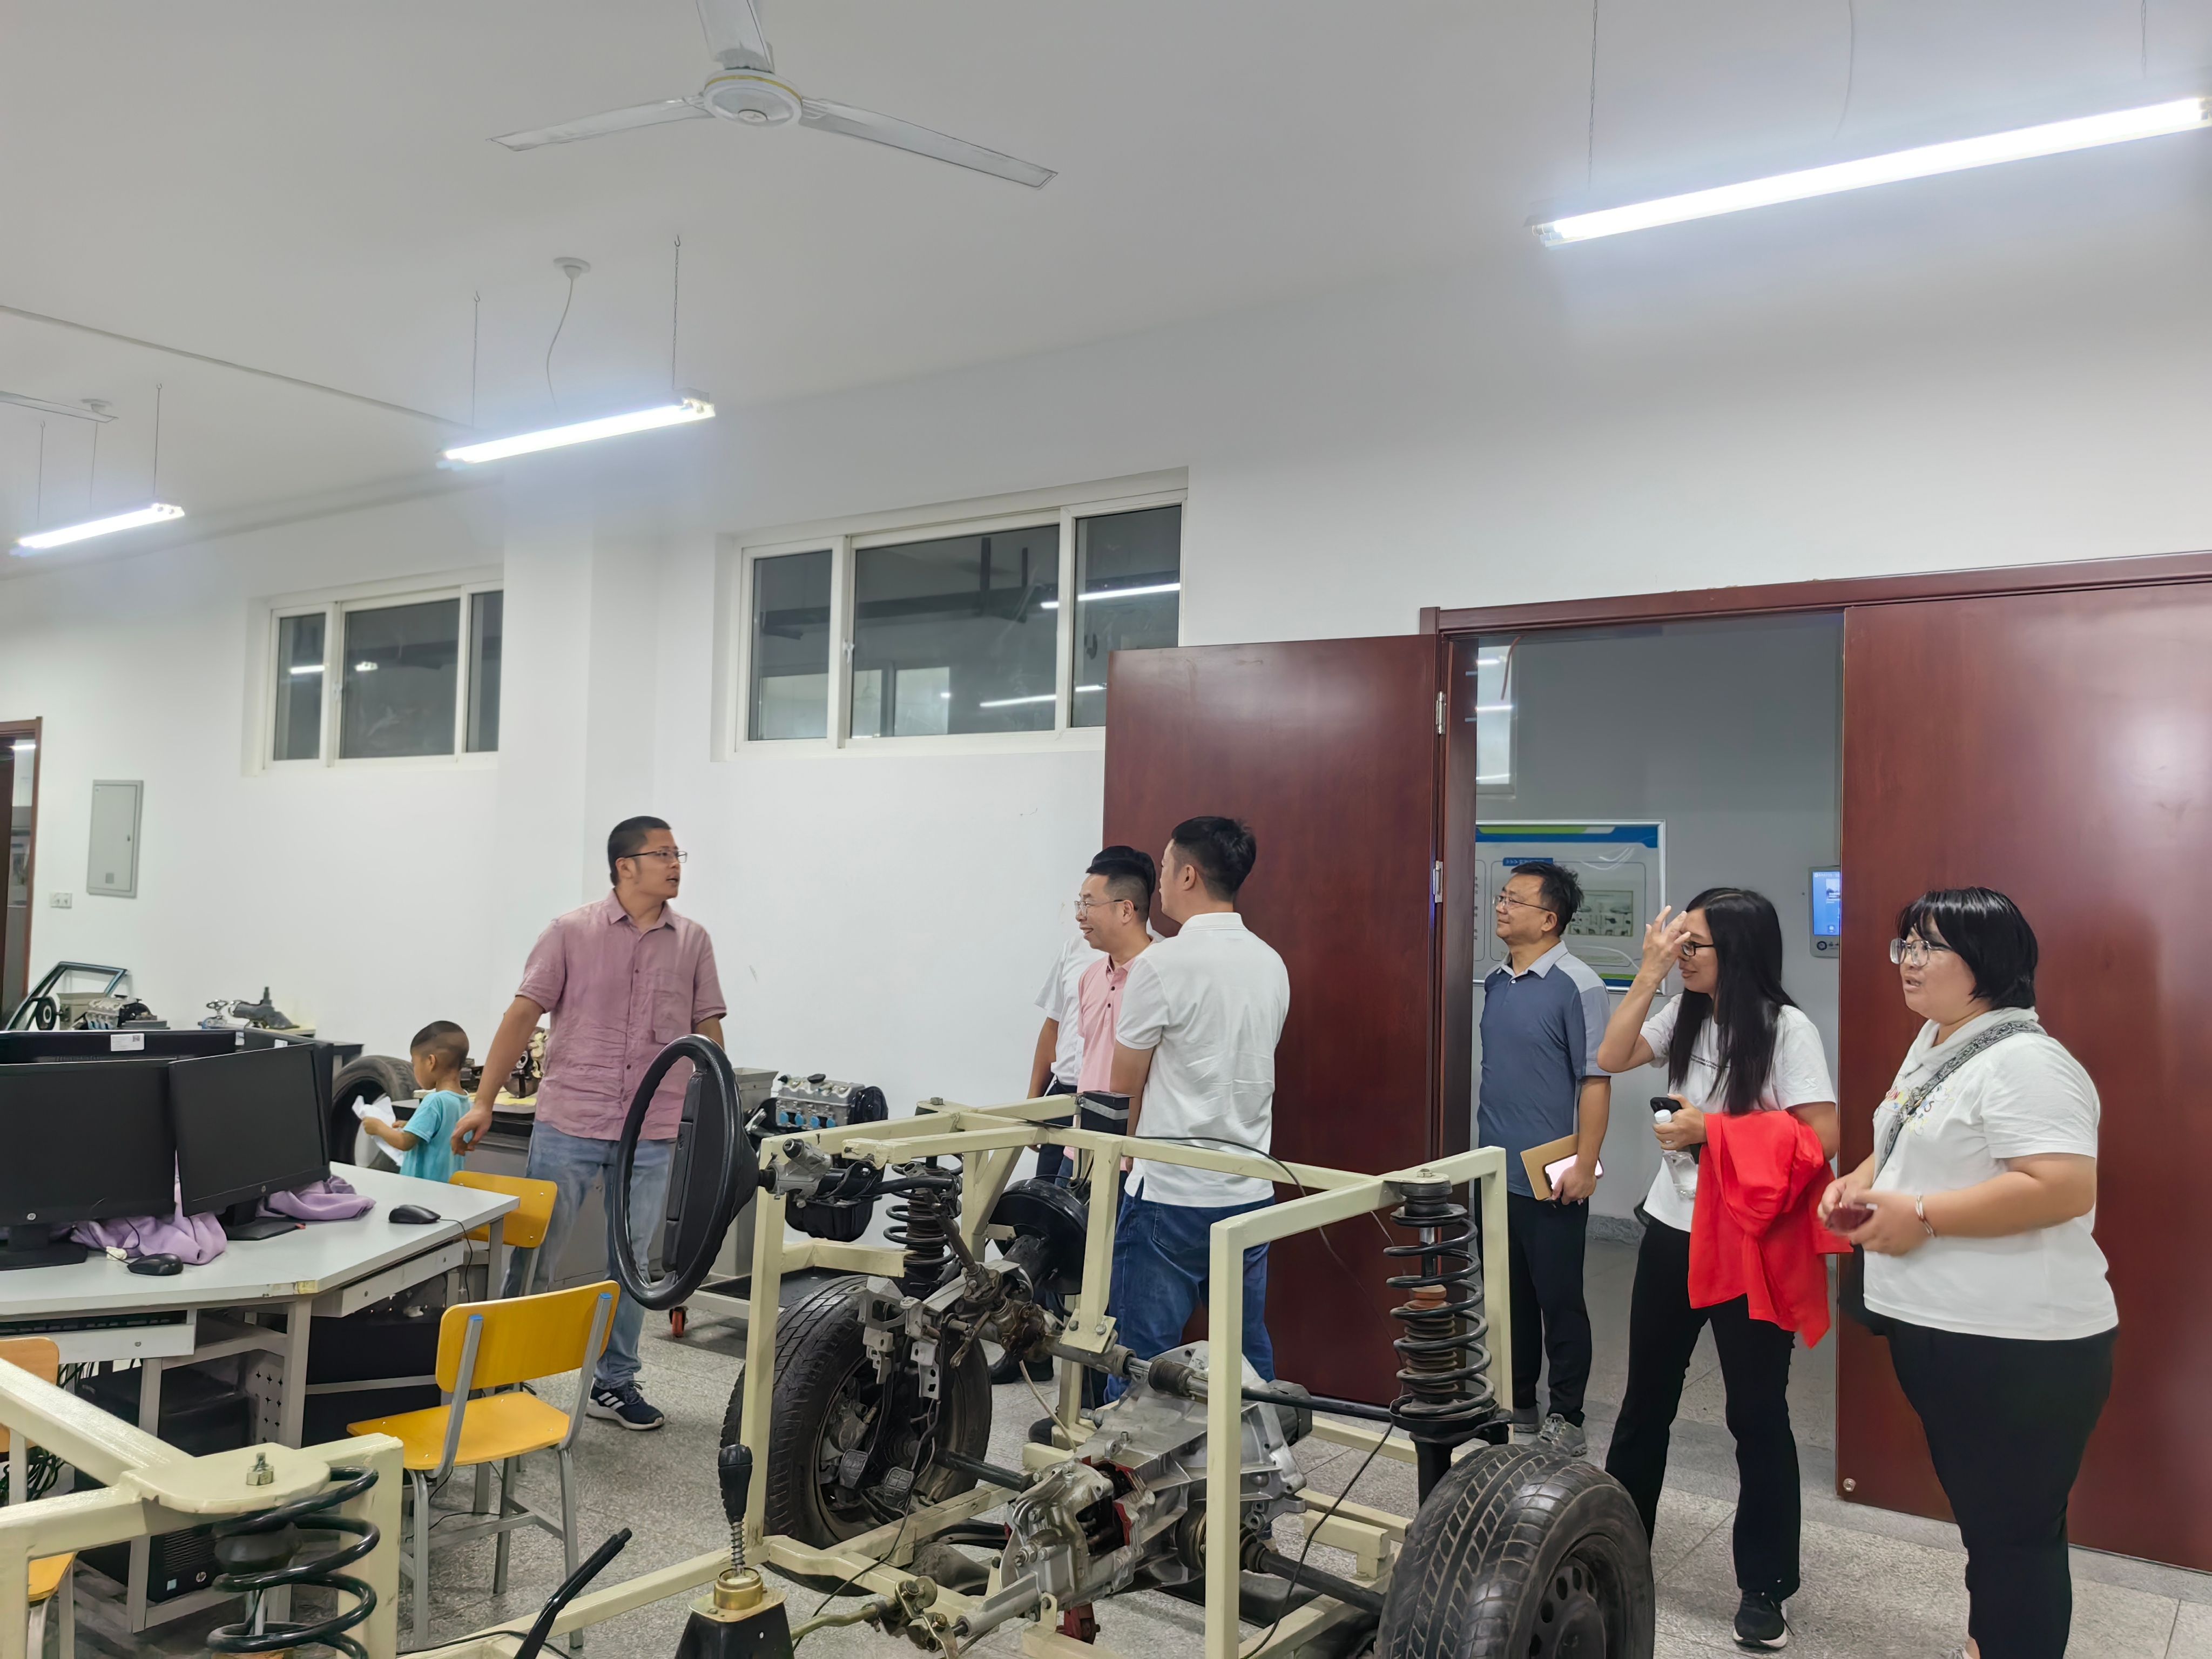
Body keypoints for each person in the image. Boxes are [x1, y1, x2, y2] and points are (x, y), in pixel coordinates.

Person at [1819, 888, 2115, 1659]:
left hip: (2019, 1343)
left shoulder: (2027, 1063)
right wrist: (1860, 1179)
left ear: (1988, 961)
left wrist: (1921, 1214)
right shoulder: (1942, 1040)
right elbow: (1907, 1132)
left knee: (2014, 1538)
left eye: (1930, 947)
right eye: (1906, 946)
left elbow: (2061, 1186)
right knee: (1991, 1528)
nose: (1909, 962)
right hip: (1948, 1329)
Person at [1595, 888, 1839, 1653]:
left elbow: (1822, 1135)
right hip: (1673, 1230)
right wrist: (1647, 974)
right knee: (1644, 1404)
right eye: (1678, 944)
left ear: (1737, 951)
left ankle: (1765, 1587)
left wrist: (1714, 1131)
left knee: (1756, 1415)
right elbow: (1610, 1057)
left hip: (1748, 1243)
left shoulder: (1787, 1029)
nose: (1682, 956)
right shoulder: (1684, 1013)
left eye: (1692, 946)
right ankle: (1615, 1556)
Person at [450, 816, 726, 1433]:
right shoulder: (569, 932)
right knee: (537, 1256)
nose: (675, 864)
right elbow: (522, 1016)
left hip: (651, 1129)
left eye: (678, 854)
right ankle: (506, 1373)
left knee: (632, 1264)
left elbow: (707, 1029)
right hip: (571, 1120)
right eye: (663, 854)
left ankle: (615, 1381)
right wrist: (483, 1100)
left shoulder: (693, 942)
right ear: (626, 866)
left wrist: (719, 1114)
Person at [1105, 816, 1289, 1394]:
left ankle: (1125, 1454)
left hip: (1171, 1193)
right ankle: (1259, 1445)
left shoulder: (1161, 964)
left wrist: (1124, 1158)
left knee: (1140, 1357)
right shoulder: (1271, 962)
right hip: (1248, 1189)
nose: (1158, 880)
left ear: (1188, 875)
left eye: (1164, 867)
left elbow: (1123, 1083)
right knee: (1245, 1352)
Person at [1478, 860, 1610, 1456]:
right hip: (1494, 1171)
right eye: (1501, 897)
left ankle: (1568, 1414)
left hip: (1552, 1175)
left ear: (1549, 919)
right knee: (1507, 1300)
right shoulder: (1496, 982)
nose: (1501, 907)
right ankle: (1519, 1403)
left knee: (1559, 1300)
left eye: (1514, 900)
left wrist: (1585, 1163)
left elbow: (1596, 1080)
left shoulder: (1577, 984)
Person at [1026, 846, 1158, 1185]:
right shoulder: (1089, 972)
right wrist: (1035, 1105)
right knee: (1049, 1211)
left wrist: (1130, 1145)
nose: (1079, 916)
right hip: (1078, 1124)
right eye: (1079, 904)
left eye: (1089, 904)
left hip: (1129, 1141)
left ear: (1126, 908)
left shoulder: (1162, 970)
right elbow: (1061, 1033)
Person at [356, 1021, 468, 1183]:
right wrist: (413, 1125)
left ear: (431, 1062)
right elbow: (441, 1133)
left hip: (422, 1188)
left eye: (414, 1064)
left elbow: (405, 1142)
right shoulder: (464, 1101)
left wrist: (378, 1128)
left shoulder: (434, 1101)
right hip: (448, 1186)